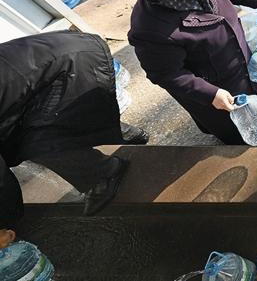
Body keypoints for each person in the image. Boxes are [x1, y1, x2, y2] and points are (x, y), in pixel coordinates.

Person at [126, 0, 257, 145]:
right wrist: (210, 94)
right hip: (215, 85)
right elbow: (166, 74)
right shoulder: (151, 30)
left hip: (240, 60)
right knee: (235, 125)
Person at [1, 32, 150, 222]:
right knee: (23, 131)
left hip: (71, 66)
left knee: (35, 144)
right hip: (66, 55)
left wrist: (6, 222)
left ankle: (103, 175)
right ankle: (122, 132)